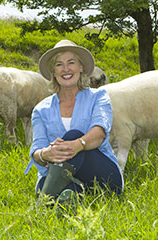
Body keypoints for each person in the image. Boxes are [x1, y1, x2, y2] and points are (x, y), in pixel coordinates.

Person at [24, 39, 124, 202]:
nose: (66, 69)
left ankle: (43, 201)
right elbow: (36, 150)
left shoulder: (99, 97)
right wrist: (45, 154)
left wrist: (77, 145)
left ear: (81, 67)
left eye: (71, 62)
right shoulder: (41, 110)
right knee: (69, 190)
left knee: (73, 135)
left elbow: (99, 133)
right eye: (59, 64)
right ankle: (69, 198)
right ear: (53, 72)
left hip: (102, 175)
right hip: (60, 173)